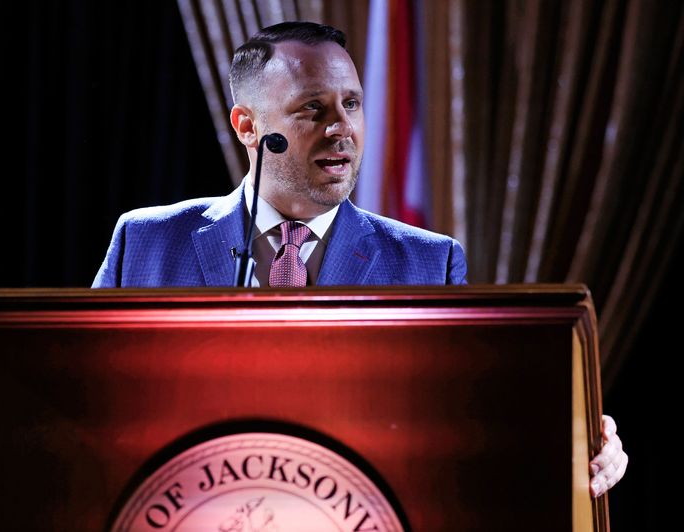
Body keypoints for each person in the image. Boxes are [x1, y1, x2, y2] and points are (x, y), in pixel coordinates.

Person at [92, 21, 626, 497]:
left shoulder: (429, 263)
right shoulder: (147, 242)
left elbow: (472, 417)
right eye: (312, 108)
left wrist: (575, 433)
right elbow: (84, 397)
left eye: (352, 103)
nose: (340, 128)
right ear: (248, 126)